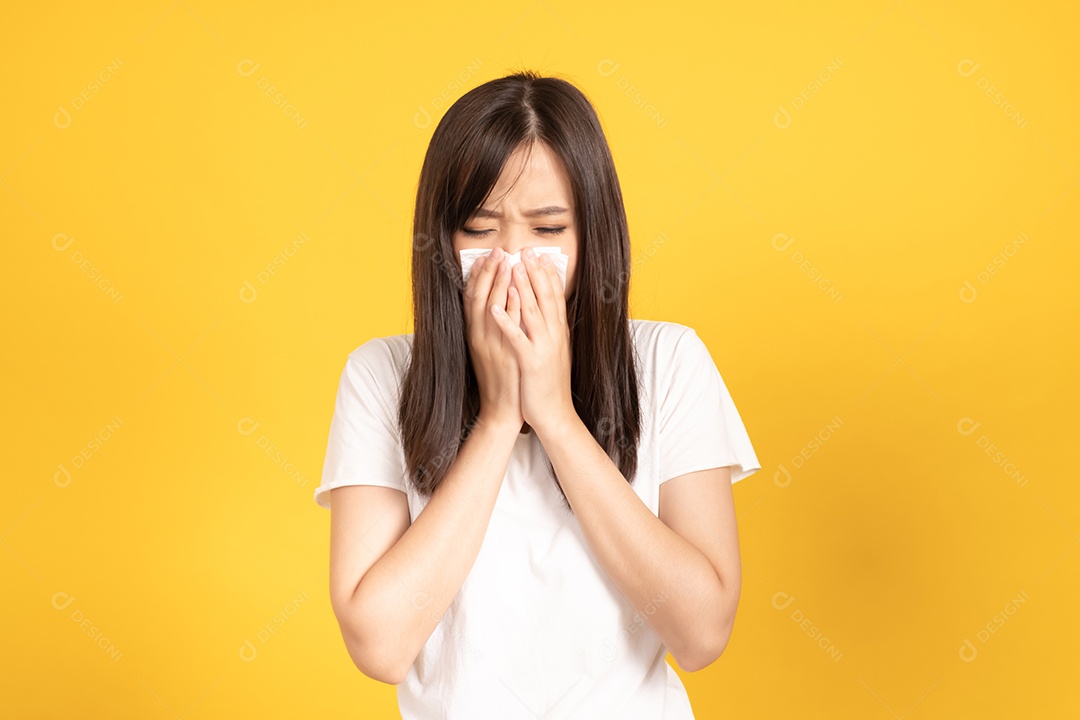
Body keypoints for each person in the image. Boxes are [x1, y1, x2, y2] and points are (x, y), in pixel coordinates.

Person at [313, 69, 761, 719]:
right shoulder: (381, 377)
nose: (512, 257)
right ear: (442, 240)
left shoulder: (668, 362)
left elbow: (701, 633)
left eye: (548, 230)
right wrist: (498, 419)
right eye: (481, 227)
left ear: (591, 237)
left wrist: (554, 416)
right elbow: (380, 647)